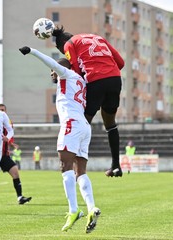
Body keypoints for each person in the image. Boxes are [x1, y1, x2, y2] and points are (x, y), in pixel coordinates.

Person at [19, 46, 100, 233]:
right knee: (80, 170)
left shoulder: (67, 74)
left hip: (71, 124)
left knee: (65, 167)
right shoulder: (80, 80)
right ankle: (91, 207)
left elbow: (52, 63)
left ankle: (74, 210)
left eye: (53, 71)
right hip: (84, 127)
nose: (52, 74)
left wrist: (32, 51)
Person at [52, 26, 125, 178]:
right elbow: (121, 62)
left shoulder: (69, 44)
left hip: (95, 80)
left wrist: (61, 74)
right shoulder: (97, 37)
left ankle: (76, 168)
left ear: (61, 45)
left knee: (83, 122)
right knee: (110, 123)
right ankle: (116, 166)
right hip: (115, 79)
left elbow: (77, 72)